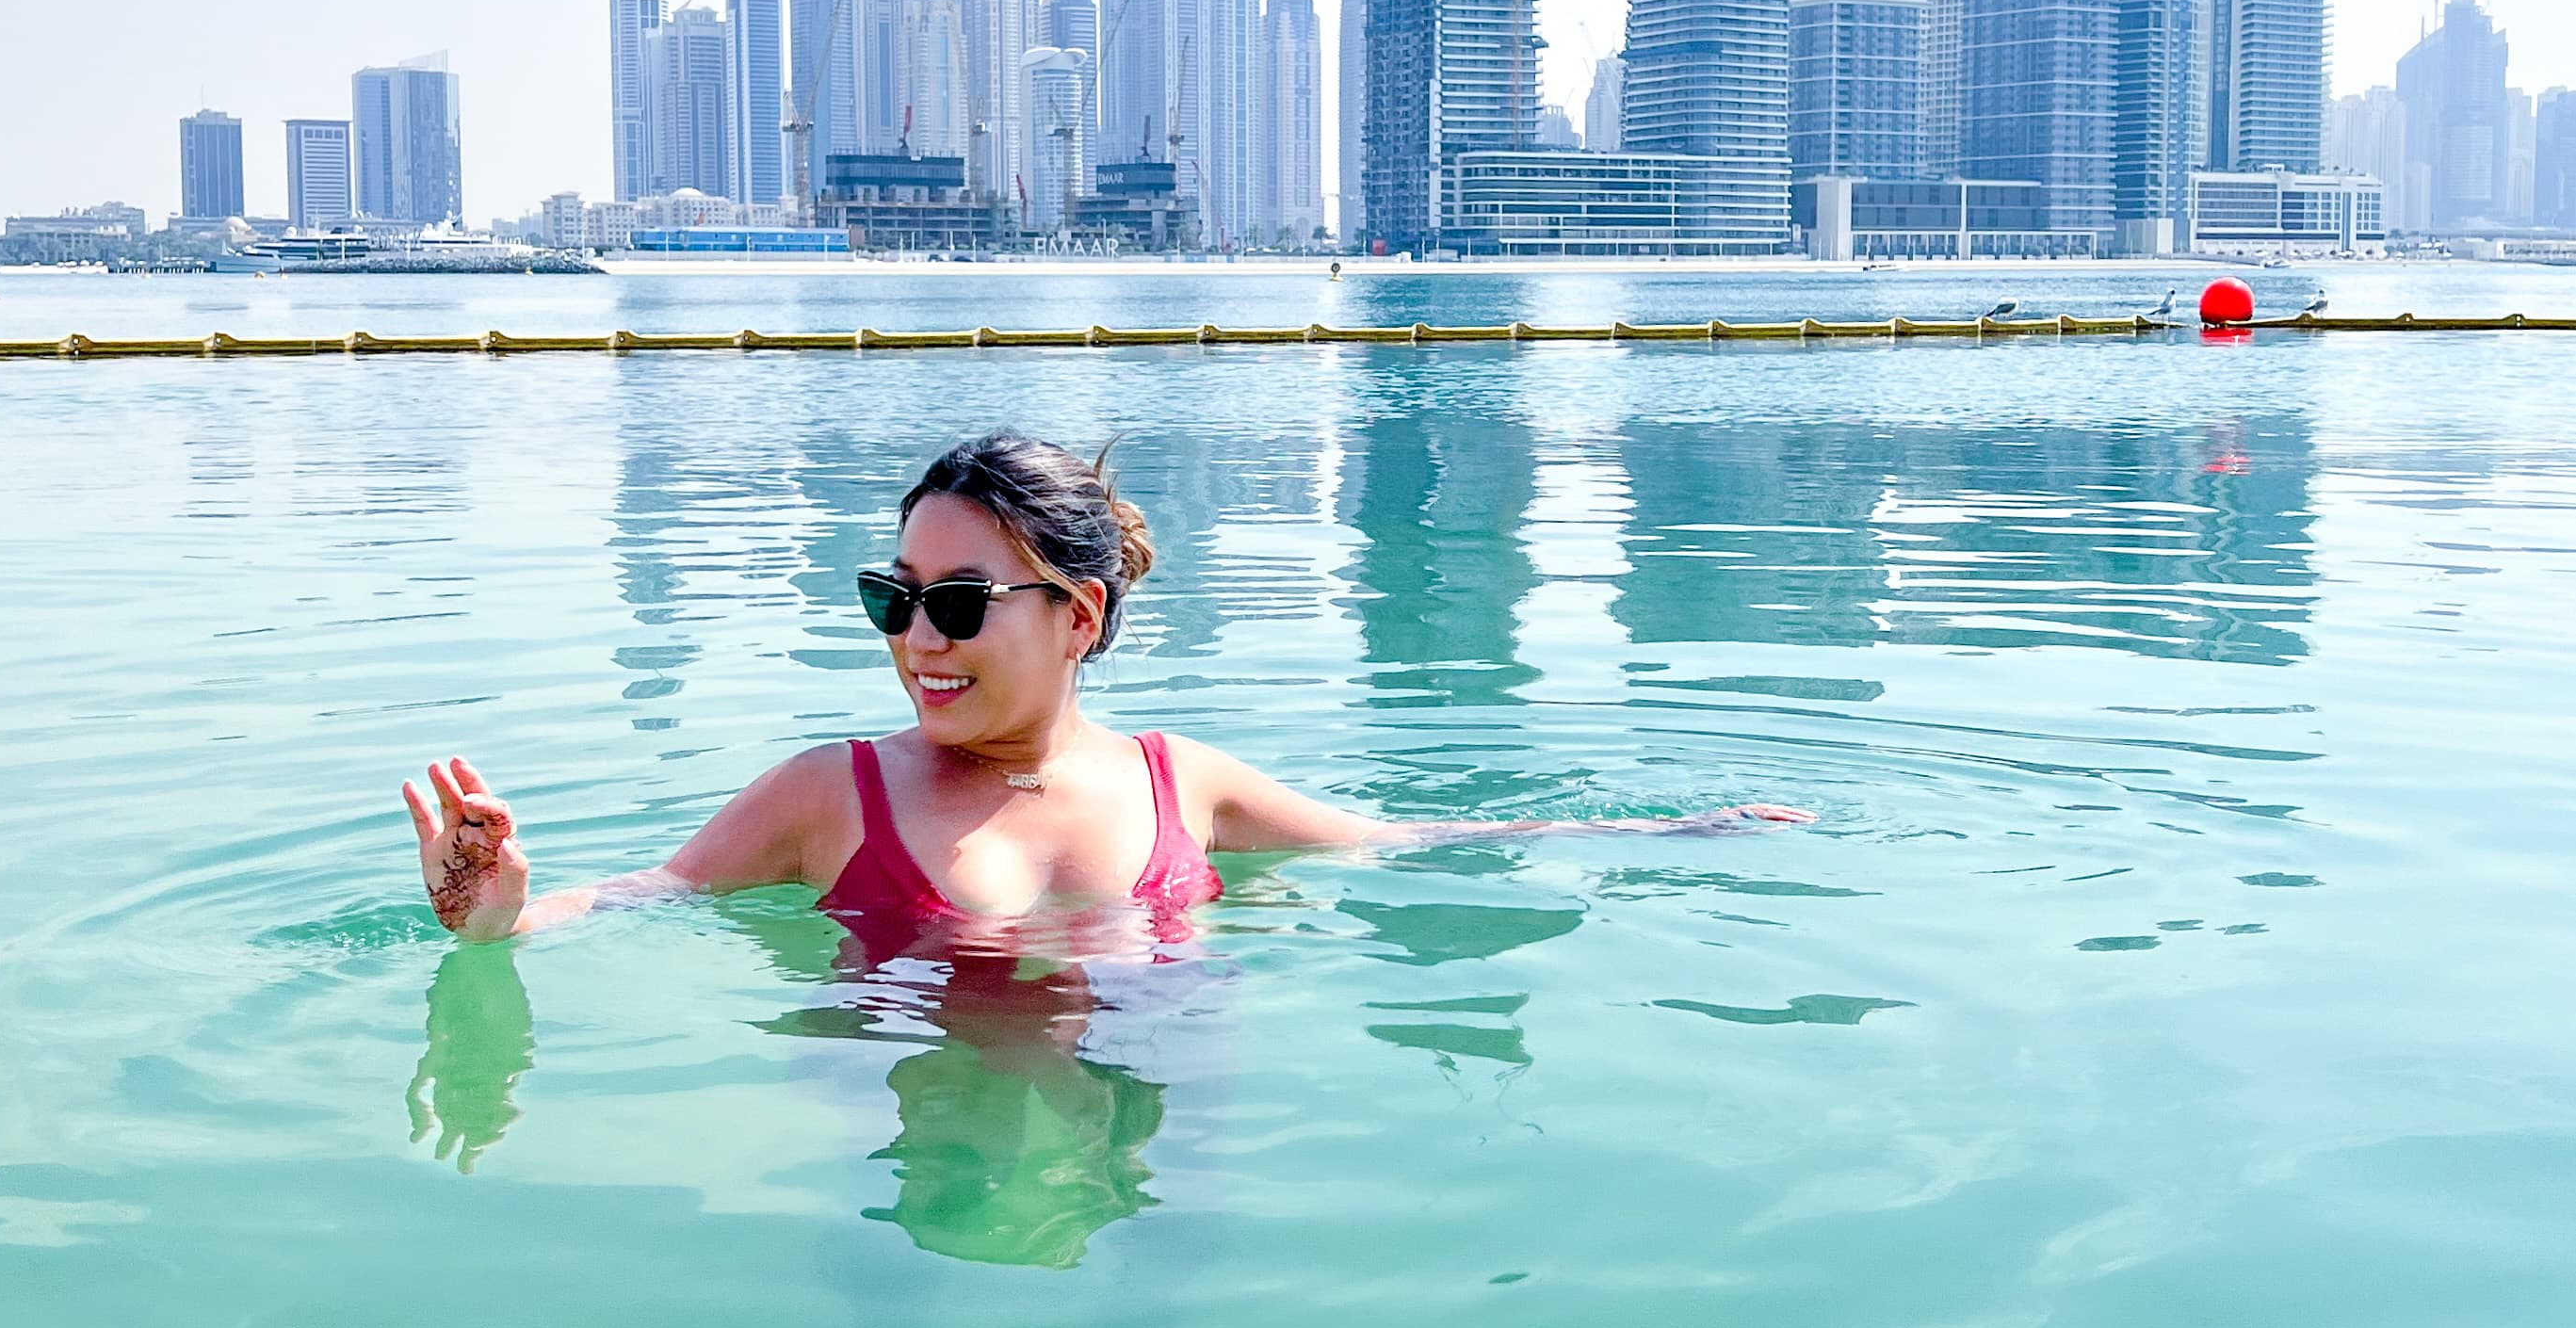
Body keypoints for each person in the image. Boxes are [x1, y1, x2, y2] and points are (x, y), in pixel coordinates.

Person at [402, 431, 1802, 952]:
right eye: (894, 600)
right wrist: (509, 915)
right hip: (914, 1154)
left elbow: (1401, 844)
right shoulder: (825, 795)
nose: (916, 641)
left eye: (954, 604)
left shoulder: (1179, 782)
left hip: (1151, 1138)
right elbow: (648, 898)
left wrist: (1669, 838)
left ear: (1076, 619)